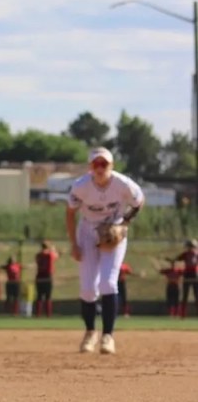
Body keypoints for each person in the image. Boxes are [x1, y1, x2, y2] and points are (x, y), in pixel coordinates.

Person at [66, 147, 144, 355]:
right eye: (96, 164)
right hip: (88, 232)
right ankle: (90, 332)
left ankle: (108, 336)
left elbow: (139, 201)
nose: (100, 168)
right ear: (90, 167)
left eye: (104, 164)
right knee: (88, 289)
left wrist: (125, 223)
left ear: (111, 166)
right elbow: (70, 214)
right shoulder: (81, 186)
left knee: (108, 283)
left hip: (113, 232)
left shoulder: (122, 184)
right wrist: (74, 243)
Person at [173, 239, 198, 318]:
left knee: (196, 295)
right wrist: (172, 260)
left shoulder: (196, 254)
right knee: (185, 295)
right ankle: (182, 314)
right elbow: (177, 259)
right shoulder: (185, 254)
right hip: (188, 274)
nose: (190, 248)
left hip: (194, 274)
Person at [34, 241, 58, 317]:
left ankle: (38, 314)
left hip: (39, 276)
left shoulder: (38, 255)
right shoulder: (50, 255)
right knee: (48, 296)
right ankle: (48, 314)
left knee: (39, 296)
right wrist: (53, 249)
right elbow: (56, 256)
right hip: (47, 276)